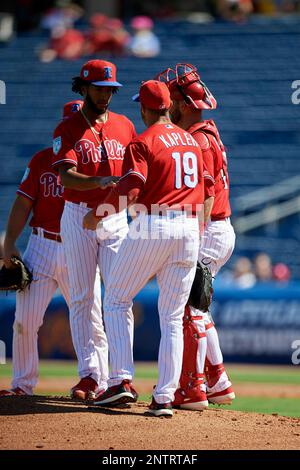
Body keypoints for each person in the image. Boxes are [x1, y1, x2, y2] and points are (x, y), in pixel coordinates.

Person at [83, 80, 205, 417]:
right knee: (172, 318)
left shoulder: (143, 139)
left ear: (145, 108)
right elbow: (205, 188)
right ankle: (164, 397)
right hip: (189, 229)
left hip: (156, 223)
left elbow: (133, 187)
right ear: (168, 106)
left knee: (117, 298)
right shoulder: (192, 141)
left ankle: (121, 379)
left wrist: (100, 213)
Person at [0, 100, 108, 397]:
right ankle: (22, 384)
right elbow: (23, 203)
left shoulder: (100, 164)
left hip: (82, 246)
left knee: (91, 318)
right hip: (42, 245)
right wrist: (9, 242)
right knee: (25, 320)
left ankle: (97, 380)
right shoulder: (41, 160)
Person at [52, 60, 137, 401]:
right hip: (77, 215)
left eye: (111, 89)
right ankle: (90, 374)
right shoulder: (69, 127)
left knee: (118, 296)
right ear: (84, 88)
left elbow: (135, 174)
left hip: (114, 216)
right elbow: (65, 176)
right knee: (83, 297)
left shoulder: (124, 125)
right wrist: (99, 181)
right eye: (100, 88)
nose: (106, 95)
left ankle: (121, 377)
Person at [156, 63, 236, 408]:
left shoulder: (198, 140)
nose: (168, 105)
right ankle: (218, 380)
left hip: (209, 226)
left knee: (190, 312)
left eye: (173, 99)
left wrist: (195, 235)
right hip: (219, 226)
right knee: (199, 309)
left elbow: (203, 194)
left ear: (186, 104)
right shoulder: (208, 131)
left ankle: (192, 388)